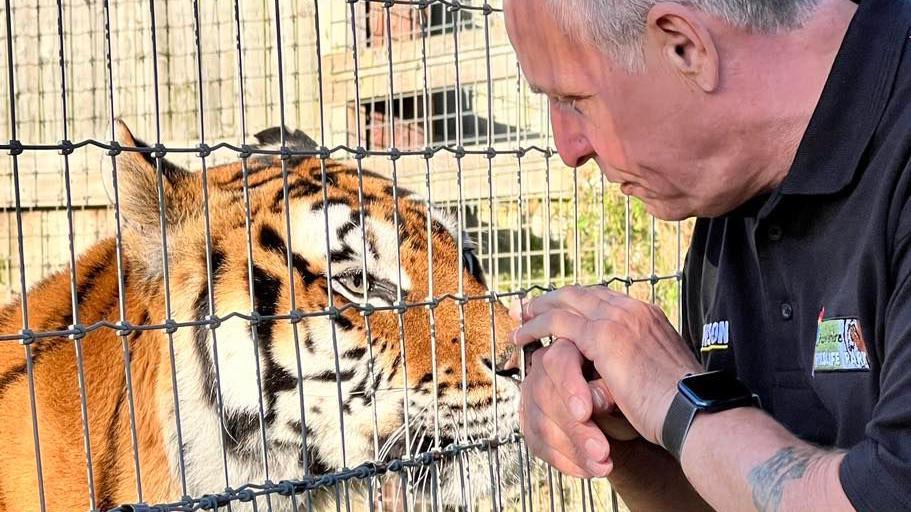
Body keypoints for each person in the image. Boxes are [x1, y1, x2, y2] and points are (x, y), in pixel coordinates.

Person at [503, 0, 911, 509]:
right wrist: (627, 438)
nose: (568, 149)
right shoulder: (727, 204)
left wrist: (679, 399)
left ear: (685, 46)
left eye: (574, 98)